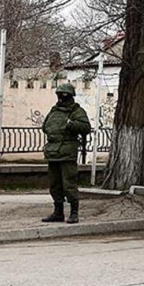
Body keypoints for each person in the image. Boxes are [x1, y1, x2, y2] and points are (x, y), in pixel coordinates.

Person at [41, 83, 91, 223]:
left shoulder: (76, 111)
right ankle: (58, 212)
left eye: (64, 94)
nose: (61, 97)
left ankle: (74, 213)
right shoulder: (54, 110)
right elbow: (45, 126)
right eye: (59, 94)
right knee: (55, 185)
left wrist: (71, 124)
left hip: (67, 153)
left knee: (69, 184)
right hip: (53, 152)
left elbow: (86, 127)